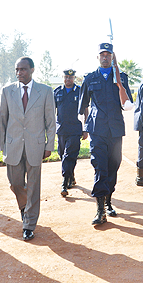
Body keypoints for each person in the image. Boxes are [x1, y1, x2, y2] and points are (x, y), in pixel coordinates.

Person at [0, 57, 56, 241]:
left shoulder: (45, 91)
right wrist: (3, 147)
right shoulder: (7, 91)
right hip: (13, 146)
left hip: (35, 146)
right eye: (17, 69)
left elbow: (50, 121)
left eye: (23, 69)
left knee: (33, 186)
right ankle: (24, 207)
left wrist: (49, 145)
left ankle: (29, 224)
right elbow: (3, 121)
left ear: (32, 69)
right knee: (15, 183)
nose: (19, 73)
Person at [78, 43, 133, 225]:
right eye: (102, 54)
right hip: (97, 130)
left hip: (116, 129)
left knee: (113, 166)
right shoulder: (90, 78)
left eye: (108, 55)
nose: (105, 57)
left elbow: (128, 104)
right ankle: (100, 209)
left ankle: (109, 202)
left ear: (112, 57)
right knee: (100, 167)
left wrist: (120, 85)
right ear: (97, 57)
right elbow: (83, 105)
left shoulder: (121, 78)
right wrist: (85, 126)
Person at [54, 69, 88, 197]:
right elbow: (51, 110)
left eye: (71, 77)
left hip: (75, 129)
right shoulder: (57, 91)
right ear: (63, 77)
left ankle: (64, 182)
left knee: (69, 155)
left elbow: (85, 110)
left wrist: (85, 129)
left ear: (74, 78)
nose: (68, 79)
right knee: (62, 155)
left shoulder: (79, 92)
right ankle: (71, 177)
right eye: (66, 77)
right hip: (61, 129)